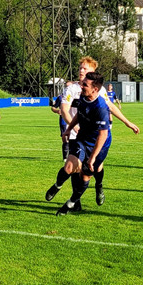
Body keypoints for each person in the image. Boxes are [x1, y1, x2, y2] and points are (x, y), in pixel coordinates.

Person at [52, 56, 139, 207]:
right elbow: (64, 110)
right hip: (77, 133)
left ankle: (99, 186)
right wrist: (72, 127)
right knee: (74, 167)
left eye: (85, 68)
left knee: (96, 167)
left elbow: (110, 106)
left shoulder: (99, 89)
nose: (81, 70)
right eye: (80, 68)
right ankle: (75, 201)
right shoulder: (71, 88)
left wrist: (127, 122)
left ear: (93, 72)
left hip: (96, 134)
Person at [50, 72, 113, 216]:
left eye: (85, 84)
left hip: (99, 145)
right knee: (69, 166)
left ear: (95, 89)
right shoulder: (83, 97)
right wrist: (69, 129)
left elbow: (103, 135)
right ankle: (57, 185)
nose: (81, 85)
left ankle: (71, 203)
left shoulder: (101, 107)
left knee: (86, 175)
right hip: (83, 138)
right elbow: (79, 114)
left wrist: (92, 158)